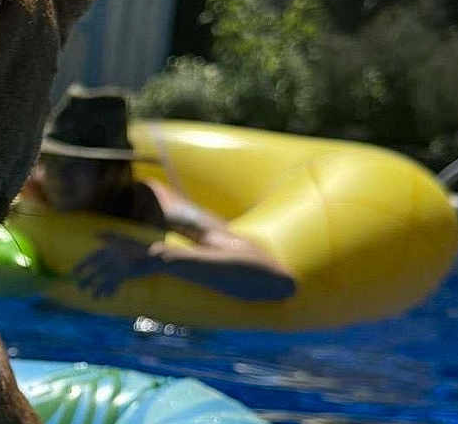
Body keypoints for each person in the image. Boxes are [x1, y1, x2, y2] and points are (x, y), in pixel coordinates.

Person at [23, 86, 296, 302]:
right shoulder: (35, 187)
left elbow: (276, 281)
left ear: (109, 173)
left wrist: (152, 257)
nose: (59, 176)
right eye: (52, 162)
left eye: (76, 165)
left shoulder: (152, 205)